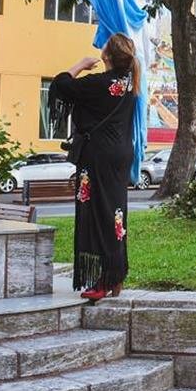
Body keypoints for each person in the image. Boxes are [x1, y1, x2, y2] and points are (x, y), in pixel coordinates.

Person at [49, 33, 140, 301]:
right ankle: (115, 274)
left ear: (106, 56)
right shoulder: (129, 85)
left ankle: (105, 277)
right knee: (115, 214)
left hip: (99, 156)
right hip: (120, 155)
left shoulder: (100, 84)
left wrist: (79, 65)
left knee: (99, 214)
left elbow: (61, 85)